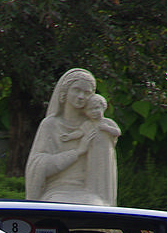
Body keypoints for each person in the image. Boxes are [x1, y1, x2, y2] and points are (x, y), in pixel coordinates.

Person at [24, 69, 118, 206]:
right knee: (60, 204)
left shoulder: (96, 127)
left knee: (94, 205)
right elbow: (37, 165)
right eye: (76, 90)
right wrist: (77, 152)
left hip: (89, 192)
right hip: (56, 191)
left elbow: (103, 171)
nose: (81, 96)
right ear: (64, 92)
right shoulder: (50, 124)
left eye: (87, 93)